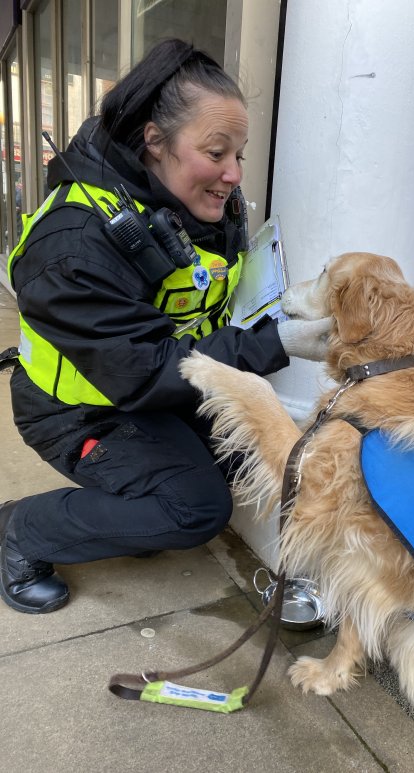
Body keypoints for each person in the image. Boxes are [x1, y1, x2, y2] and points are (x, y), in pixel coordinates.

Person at [1, 38, 331, 615]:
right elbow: (145, 373)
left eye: (240, 154)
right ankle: (20, 530)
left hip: (142, 386)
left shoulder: (188, 201)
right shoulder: (75, 245)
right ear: (154, 140)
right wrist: (276, 342)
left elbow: (205, 301)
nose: (233, 174)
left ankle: (135, 507)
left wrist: (282, 305)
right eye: (216, 152)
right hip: (75, 409)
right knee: (193, 509)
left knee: (254, 452)